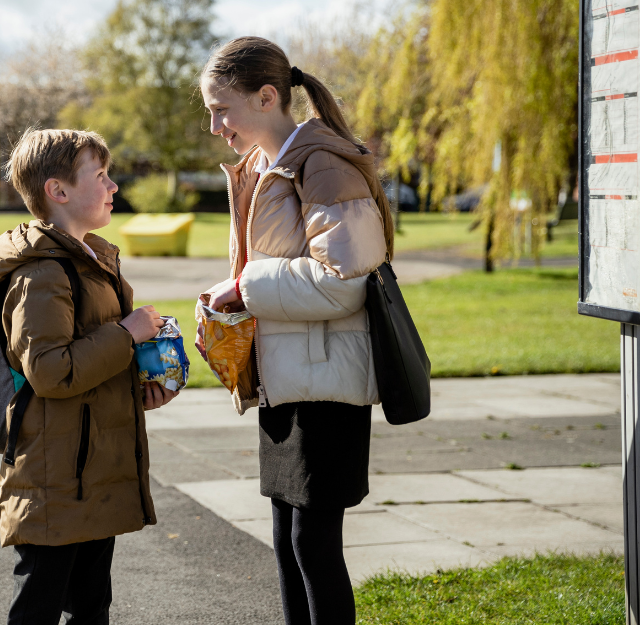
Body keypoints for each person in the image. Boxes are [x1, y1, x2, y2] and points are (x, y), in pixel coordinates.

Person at [195, 37, 395, 625]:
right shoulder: (263, 165)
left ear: (265, 97)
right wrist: (229, 292)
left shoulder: (322, 163)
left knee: (312, 544)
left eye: (221, 108)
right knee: (287, 543)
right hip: (286, 380)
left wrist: (247, 287)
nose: (214, 126)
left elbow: (346, 282)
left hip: (327, 386)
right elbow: (275, 266)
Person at [0, 128, 178, 625]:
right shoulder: (42, 274)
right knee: (38, 608)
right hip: (54, 479)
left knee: (91, 607)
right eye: (100, 176)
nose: (113, 186)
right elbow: (51, 372)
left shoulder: (90, 261)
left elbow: (89, 364)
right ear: (57, 192)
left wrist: (138, 384)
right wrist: (126, 333)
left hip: (89, 473)